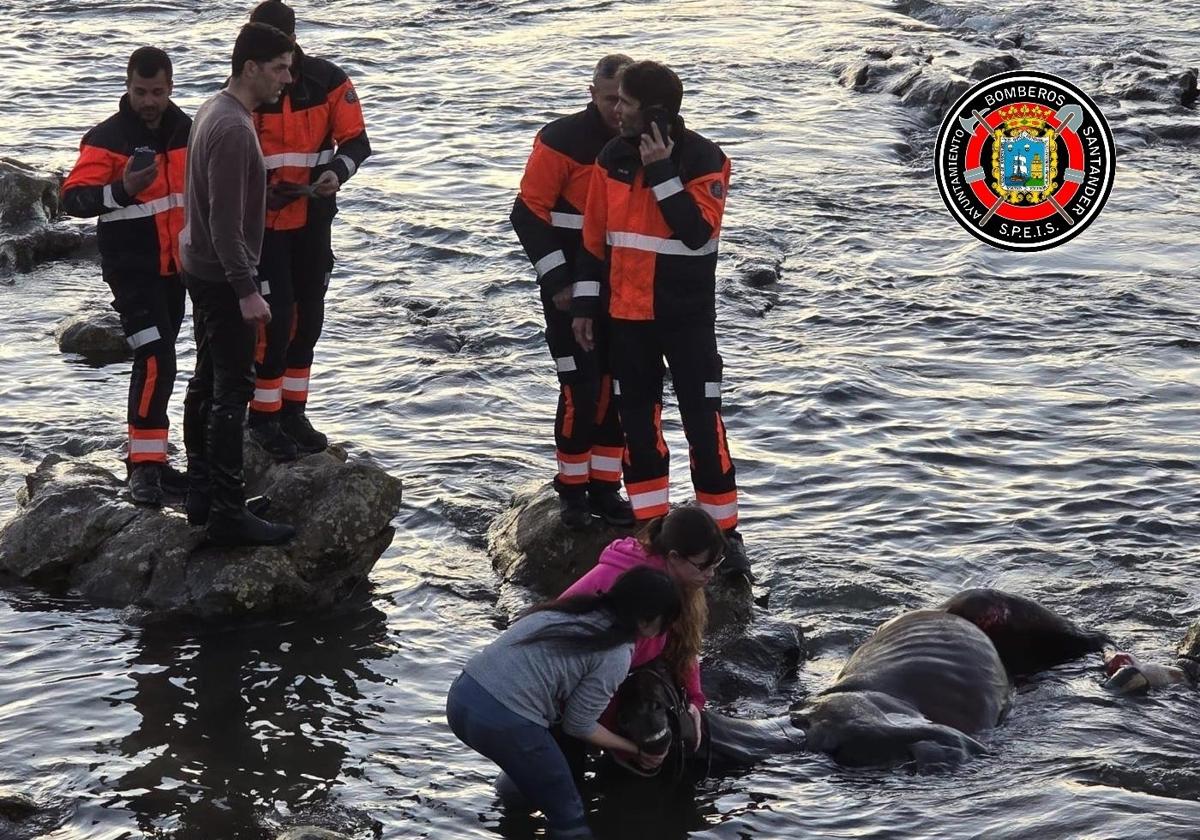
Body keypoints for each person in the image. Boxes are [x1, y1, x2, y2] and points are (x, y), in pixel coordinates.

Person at [570, 60, 751, 578]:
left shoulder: (705, 159)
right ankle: (652, 534)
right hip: (627, 318)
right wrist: (585, 305)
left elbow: (696, 233)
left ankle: (724, 536)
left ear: (653, 111)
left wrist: (664, 171)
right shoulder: (610, 157)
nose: (615, 110)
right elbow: (593, 239)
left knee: (702, 420)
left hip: (686, 319)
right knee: (638, 427)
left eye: (624, 102)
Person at [447, 566, 682, 840]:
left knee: (526, 775)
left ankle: (513, 821)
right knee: (570, 818)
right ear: (644, 621)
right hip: (505, 721)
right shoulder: (615, 653)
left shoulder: (567, 610)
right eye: (663, 625)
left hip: (461, 699)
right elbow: (578, 724)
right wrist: (633, 748)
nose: (661, 633)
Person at [179, 22, 297, 547]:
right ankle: (226, 513)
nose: (287, 79)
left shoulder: (214, 109)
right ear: (250, 67)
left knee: (207, 379)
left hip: (199, 265)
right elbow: (224, 221)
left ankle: (203, 495)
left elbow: (214, 207)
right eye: (279, 68)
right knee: (232, 391)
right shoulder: (231, 128)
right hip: (222, 274)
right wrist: (246, 288)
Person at [62, 47, 191, 506]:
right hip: (131, 271)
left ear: (171, 88)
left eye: (157, 92)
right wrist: (122, 190)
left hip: (176, 270)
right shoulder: (108, 138)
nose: (149, 101)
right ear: (127, 86)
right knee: (157, 358)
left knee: (160, 360)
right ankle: (143, 469)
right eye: (141, 92)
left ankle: (152, 461)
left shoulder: (187, 131)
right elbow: (72, 200)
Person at [243, 0, 372, 459]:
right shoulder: (245, 89)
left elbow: (358, 142)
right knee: (273, 323)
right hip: (265, 227)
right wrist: (261, 194)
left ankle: (293, 412)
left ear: (295, 40)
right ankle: (262, 417)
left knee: (308, 318)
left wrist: (337, 171)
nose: (280, 69)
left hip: (314, 219)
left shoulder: (328, 81)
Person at [510, 55, 634, 530]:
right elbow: (526, 212)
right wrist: (557, 280)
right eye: (608, 101)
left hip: (624, 290)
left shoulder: (642, 143)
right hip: (567, 287)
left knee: (617, 387)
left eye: (624, 102)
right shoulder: (561, 140)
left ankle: (605, 488)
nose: (616, 111)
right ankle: (572, 492)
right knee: (580, 385)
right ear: (591, 93)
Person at [561, 505, 724, 762]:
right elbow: (607, 671)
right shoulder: (641, 592)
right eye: (703, 566)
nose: (711, 575)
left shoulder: (681, 579)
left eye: (716, 564)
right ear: (674, 556)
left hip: (611, 668)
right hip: (572, 675)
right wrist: (625, 747)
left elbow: (685, 645)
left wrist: (695, 700)